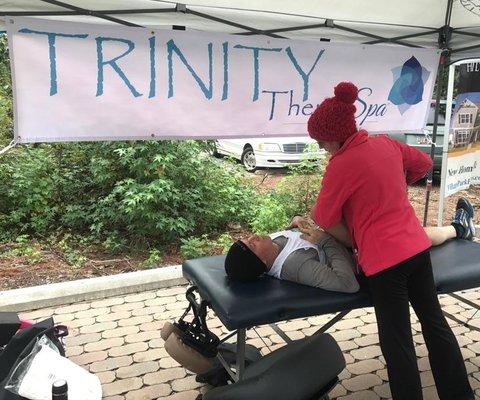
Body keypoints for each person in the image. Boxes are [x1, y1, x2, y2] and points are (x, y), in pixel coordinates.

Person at [306, 81, 474, 400]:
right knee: (435, 324)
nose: (320, 148)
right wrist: (394, 185)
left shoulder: (340, 166)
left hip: (385, 263)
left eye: (321, 141)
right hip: (416, 249)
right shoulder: (386, 144)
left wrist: (355, 222)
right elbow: (423, 165)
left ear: (335, 137)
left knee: (398, 344)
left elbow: (324, 217)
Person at [224, 201, 475, 294]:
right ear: (264, 263)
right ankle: (459, 229)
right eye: (251, 245)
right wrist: (324, 240)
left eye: (246, 239)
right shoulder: (295, 266)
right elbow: (348, 284)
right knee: (411, 237)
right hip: (364, 255)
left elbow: (294, 240)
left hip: (353, 239)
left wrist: (294, 225)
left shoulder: (273, 248)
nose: (253, 237)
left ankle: (457, 228)